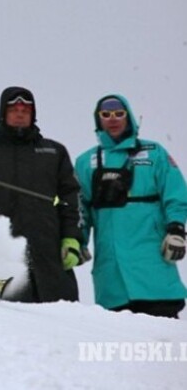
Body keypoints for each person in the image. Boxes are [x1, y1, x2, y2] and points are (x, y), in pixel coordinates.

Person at [0, 86, 82, 303]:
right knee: (6, 324)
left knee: (60, 320)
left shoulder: (54, 152)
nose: (20, 113)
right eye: (14, 109)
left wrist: (71, 238)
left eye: (26, 110)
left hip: (48, 256)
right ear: (3, 112)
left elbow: (71, 198)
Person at [75, 95, 187, 319]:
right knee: (119, 343)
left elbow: (175, 193)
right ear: (98, 120)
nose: (113, 119)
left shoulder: (154, 152)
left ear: (129, 116)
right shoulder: (86, 161)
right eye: (106, 115)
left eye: (119, 113)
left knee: (162, 343)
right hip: (111, 269)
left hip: (153, 261)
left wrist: (176, 230)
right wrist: (78, 239)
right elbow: (81, 207)